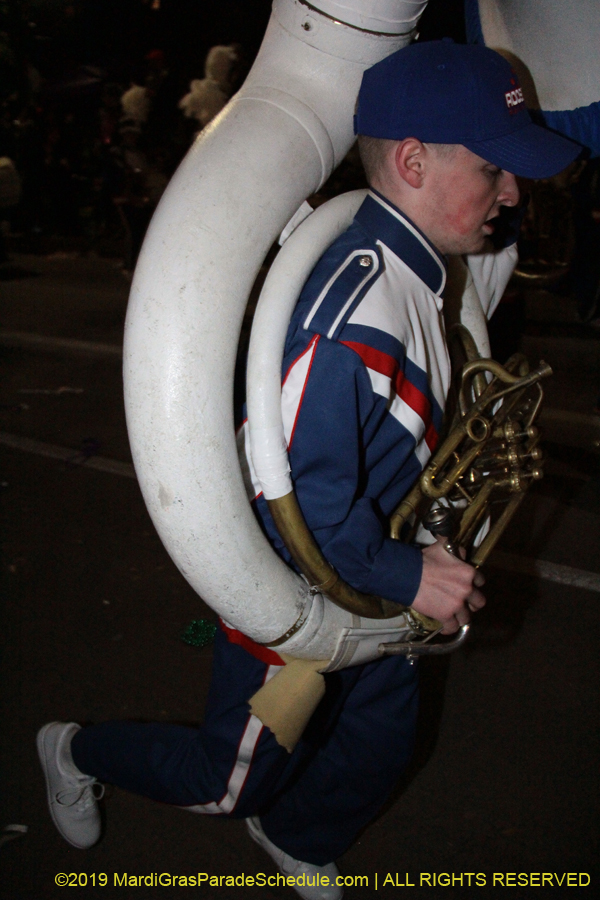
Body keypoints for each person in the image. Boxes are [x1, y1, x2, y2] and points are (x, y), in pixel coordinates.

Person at [36, 41, 580, 900]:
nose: (513, 194)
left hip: (370, 567)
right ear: (410, 162)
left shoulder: (417, 265)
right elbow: (299, 505)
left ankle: (293, 834)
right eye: (495, 169)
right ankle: (72, 748)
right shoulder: (353, 317)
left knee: (380, 741)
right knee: (227, 780)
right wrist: (413, 573)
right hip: (305, 581)